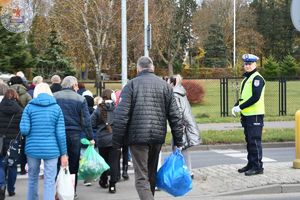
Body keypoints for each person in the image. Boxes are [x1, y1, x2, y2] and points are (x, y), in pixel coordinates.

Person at [112, 56, 183, 199]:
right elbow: (175, 116)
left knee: (141, 177)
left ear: (138, 68)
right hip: (157, 136)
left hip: (137, 137)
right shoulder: (165, 86)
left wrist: (117, 143)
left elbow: (121, 117)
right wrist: (179, 141)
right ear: (153, 68)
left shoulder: (131, 86)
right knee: (151, 174)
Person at [19, 83, 68, 200]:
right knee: (50, 180)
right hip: (51, 149)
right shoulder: (56, 108)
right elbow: (60, 134)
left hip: (33, 149)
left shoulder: (29, 107)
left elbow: (24, 130)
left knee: (32, 179)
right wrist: (63, 154)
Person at [54, 76, 94, 199]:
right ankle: (71, 190)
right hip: (74, 134)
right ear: (74, 85)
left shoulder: (54, 96)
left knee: (57, 162)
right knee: (73, 164)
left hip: (57, 134)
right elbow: (86, 120)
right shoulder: (81, 99)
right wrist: (90, 137)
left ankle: (56, 190)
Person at [231, 54, 266, 176]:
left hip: (255, 114)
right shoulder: (247, 78)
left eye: (250, 64)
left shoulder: (257, 79)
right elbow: (244, 97)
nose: (247, 66)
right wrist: (236, 105)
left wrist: (240, 107)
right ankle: (251, 164)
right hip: (247, 115)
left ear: (255, 64)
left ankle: (257, 167)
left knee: (254, 141)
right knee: (249, 140)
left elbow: (255, 97)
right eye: (246, 64)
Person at [168, 74, 201, 178]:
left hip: (180, 125)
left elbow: (178, 111)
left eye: (168, 82)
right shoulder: (181, 92)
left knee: (178, 148)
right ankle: (188, 171)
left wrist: (178, 125)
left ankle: (182, 172)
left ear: (172, 83)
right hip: (184, 125)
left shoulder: (174, 94)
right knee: (184, 148)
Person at [91, 89, 120, 193]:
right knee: (114, 162)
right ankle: (112, 185)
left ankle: (103, 180)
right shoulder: (117, 109)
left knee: (103, 162)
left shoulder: (98, 109)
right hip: (115, 139)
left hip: (102, 139)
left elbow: (92, 123)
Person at [0, 89, 23, 199]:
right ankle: (11, 190)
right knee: (12, 166)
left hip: (0, 141)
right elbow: (22, 128)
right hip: (13, 142)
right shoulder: (19, 110)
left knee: (0, 164)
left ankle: (1, 185)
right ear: (15, 97)